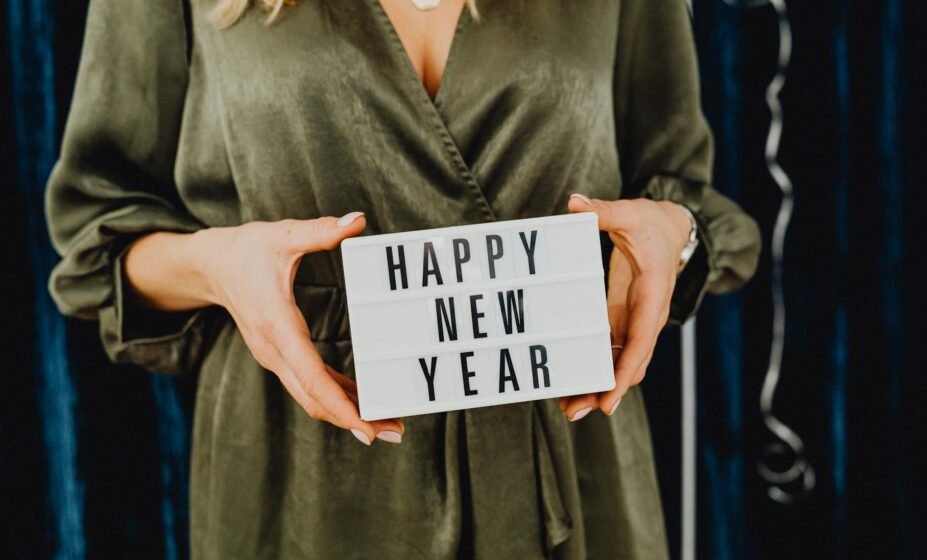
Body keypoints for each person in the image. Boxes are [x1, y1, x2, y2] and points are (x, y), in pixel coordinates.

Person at [44, 0, 761, 557]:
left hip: (569, 444)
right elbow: (98, 239)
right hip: (302, 469)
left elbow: (679, 187)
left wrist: (676, 234)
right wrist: (218, 267)